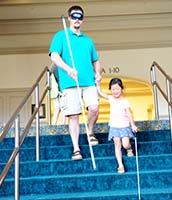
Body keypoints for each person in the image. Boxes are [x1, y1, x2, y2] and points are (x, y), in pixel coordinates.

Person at [49, 5, 102, 160]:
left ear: (83, 20)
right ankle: (76, 148)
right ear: (69, 18)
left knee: (94, 108)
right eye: (74, 16)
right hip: (69, 82)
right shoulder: (60, 36)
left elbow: (96, 61)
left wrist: (98, 74)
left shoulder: (88, 40)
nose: (77, 19)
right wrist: (68, 69)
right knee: (73, 116)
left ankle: (90, 131)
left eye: (80, 17)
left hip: (89, 81)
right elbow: (54, 56)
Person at [97, 78, 138, 173]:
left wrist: (132, 125)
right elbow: (101, 93)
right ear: (110, 90)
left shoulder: (125, 101)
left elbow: (129, 113)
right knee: (117, 145)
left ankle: (129, 148)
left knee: (125, 144)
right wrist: (98, 84)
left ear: (122, 89)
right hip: (114, 126)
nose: (115, 91)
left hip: (124, 126)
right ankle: (120, 165)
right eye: (113, 89)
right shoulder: (111, 98)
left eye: (117, 89)